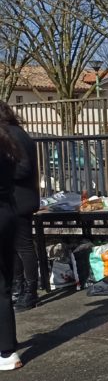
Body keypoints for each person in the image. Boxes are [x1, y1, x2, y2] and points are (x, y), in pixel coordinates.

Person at [1, 103, 41, 311]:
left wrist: (5, 173)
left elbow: (24, 168)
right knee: (15, 247)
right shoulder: (17, 132)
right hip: (20, 198)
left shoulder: (12, 135)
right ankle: (19, 287)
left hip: (20, 199)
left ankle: (30, 292)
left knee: (24, 246)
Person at [0, 112, 25, 371]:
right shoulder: (8, 142)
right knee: (4, 284)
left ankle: (6, 350)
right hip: (8, 212)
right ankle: (8, 345)